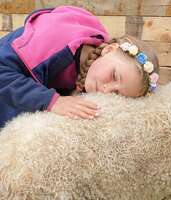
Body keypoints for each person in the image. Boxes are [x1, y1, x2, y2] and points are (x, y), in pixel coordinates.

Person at [0, 6, 159, 128]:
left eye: (116, 93)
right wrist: (51, 101)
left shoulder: (94, 64)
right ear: (109, 49)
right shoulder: (55, 43)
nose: (106, 89)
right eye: (114, 76)